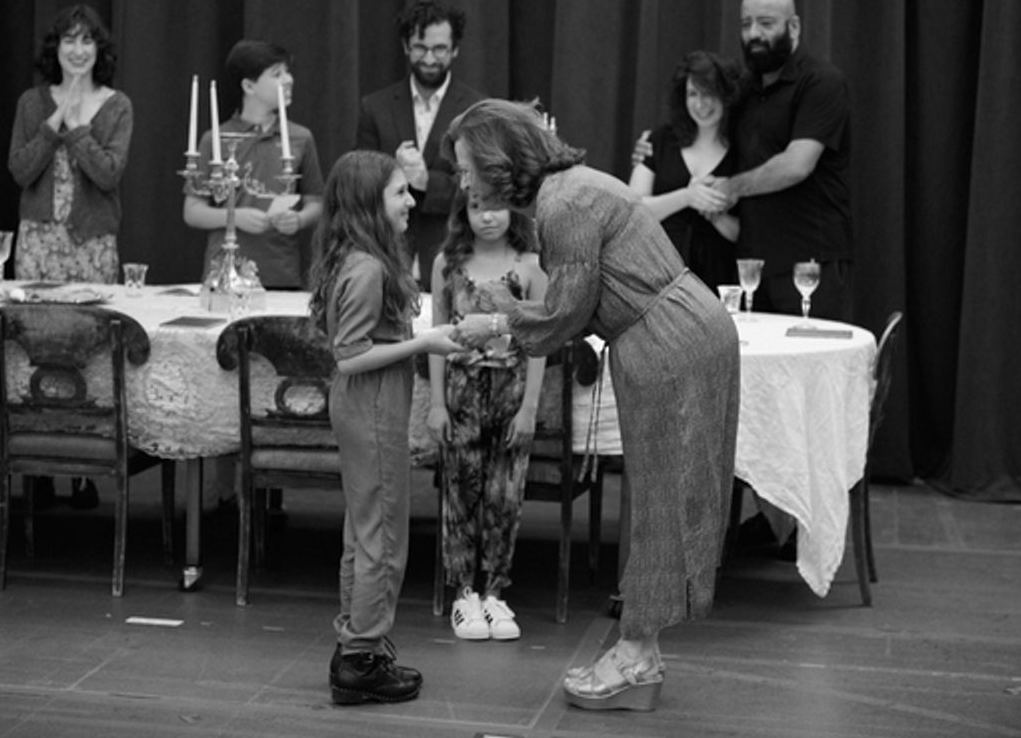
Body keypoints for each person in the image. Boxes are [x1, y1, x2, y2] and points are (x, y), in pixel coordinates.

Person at [446, 100, 739, 712]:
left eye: (469, 168)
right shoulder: (567, 193)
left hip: (666, 340)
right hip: (670, 333)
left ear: (500, 163)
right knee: (661, 497)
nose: (464, 182)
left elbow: (563, 318)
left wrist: (493, 321)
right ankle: (642, 651)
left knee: (660, 499)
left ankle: (636, 656)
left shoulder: (563, 206)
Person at [307, 149, 461, 705]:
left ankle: (355, 643)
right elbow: (349, 355)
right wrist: (424, 341)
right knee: (383, 537)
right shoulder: (368, 268)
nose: (411, 200)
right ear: (371, 202)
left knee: (365, 531)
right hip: (370, 405)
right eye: (400, 192)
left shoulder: (357, 258)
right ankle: (360, 660)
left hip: (368, 405)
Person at [7, 3, 132, 509]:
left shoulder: (117, 104)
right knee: (36, 344)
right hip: (39, 241)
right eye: (68, 41)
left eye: (87, 41)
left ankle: (85, 466)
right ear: (54, 50)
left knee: (86, 347)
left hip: (92, 244)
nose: (78, 50)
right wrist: (53, 122)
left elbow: (108, 174)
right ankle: (35, 466)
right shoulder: (32, 102)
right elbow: (20, 169)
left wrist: (78, 127)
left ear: (98, 50)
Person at [427, 191, 547, 642]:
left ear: (514, 208)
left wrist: (530, 407)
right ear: (464, 212)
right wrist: (437, 403)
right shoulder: (447, 264)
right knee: (460, 489)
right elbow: (437, 334)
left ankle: (496, 591)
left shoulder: (531, 267)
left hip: (512, 390)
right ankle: (463, 593)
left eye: (496, 205)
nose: (488, 215)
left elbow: (539, 341)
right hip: (460, 391)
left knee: (505, 493)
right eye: (477, 206)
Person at [715, 0, 852, 320]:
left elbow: (796, 165)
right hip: (749, 265)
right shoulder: (744, 90)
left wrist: (730, 188)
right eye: (746, 24)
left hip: (808, 266)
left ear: (794, 27)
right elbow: (705, 133)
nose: (753, 34)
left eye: (766, 23)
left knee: (809, 368)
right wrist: (655, 150)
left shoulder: (822, 82)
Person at [356, 0, 485, 287]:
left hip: (453, 255)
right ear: (406, 46)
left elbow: (483, 188)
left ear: (455, 49)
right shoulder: (375, 107)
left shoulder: (477, 109)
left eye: (439, 49)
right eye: (420, 47)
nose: (429, 58)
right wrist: (392, 171)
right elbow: (359, 187)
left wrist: (429, 182)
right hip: (386, 257)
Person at [184, 39, 324, 291]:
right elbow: (193, 210)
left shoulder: (300, 137)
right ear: (249, 85)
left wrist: (299, 219)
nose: (288, 79)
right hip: (224, 274)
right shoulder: (216, 138)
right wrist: (235, 217)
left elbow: (317, 202)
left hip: (280, 272)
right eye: (277, 74)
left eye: (287, 72)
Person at [628, 50, 742, 288]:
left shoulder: (742, 152)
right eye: (693, 94)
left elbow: (746, 234)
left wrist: (713, 211)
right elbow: (632, 210)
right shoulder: (660, 141)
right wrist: (688, 196)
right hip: (658, 277)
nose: (701, 104)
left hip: (719, 281)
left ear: (726, 95)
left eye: (709, 94)